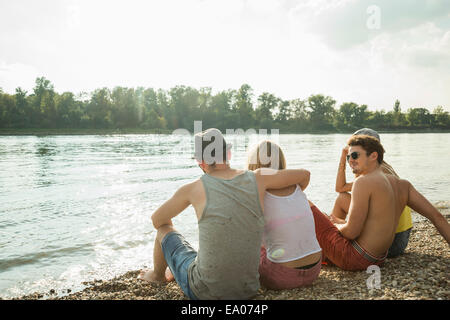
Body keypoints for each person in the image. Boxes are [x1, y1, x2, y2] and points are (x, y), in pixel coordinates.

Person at [138, 128, 311, 299]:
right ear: (228, 154)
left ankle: (157, 276)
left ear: (200, 162)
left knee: (164, 230)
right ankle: (180, 269)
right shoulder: (258, 178)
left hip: (204, 293)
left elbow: (157, 220)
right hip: (248, 290)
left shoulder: (192, 189)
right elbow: (304, 175)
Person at [313, 135, 450, 271]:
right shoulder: (403, 185)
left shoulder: (363, 182)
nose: (350, 161)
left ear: (373, 156)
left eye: (355, 155)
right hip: (378, 259)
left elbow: (351, 233)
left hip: (356, 258)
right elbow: (436, 217)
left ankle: (302, 262)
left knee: (309, 207)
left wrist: (334, 224)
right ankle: (317, 257)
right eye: (348, 157)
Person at [247, 140, 322, 290]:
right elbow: (306, 173)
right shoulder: (296, 185)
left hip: (281, 276)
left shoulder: (257, 178)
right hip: (314, 270)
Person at [331, 128, 412, 257]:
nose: (351, 155)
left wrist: (343, 225)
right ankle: (337, 234)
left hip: (390, 243)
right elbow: (340, 187)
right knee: (343, 198)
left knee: (342, 202)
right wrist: (343, 158)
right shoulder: (378, 168)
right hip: (401, 237)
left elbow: (340, 190)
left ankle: (334, 237)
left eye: (355, 152)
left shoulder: (375, 174)